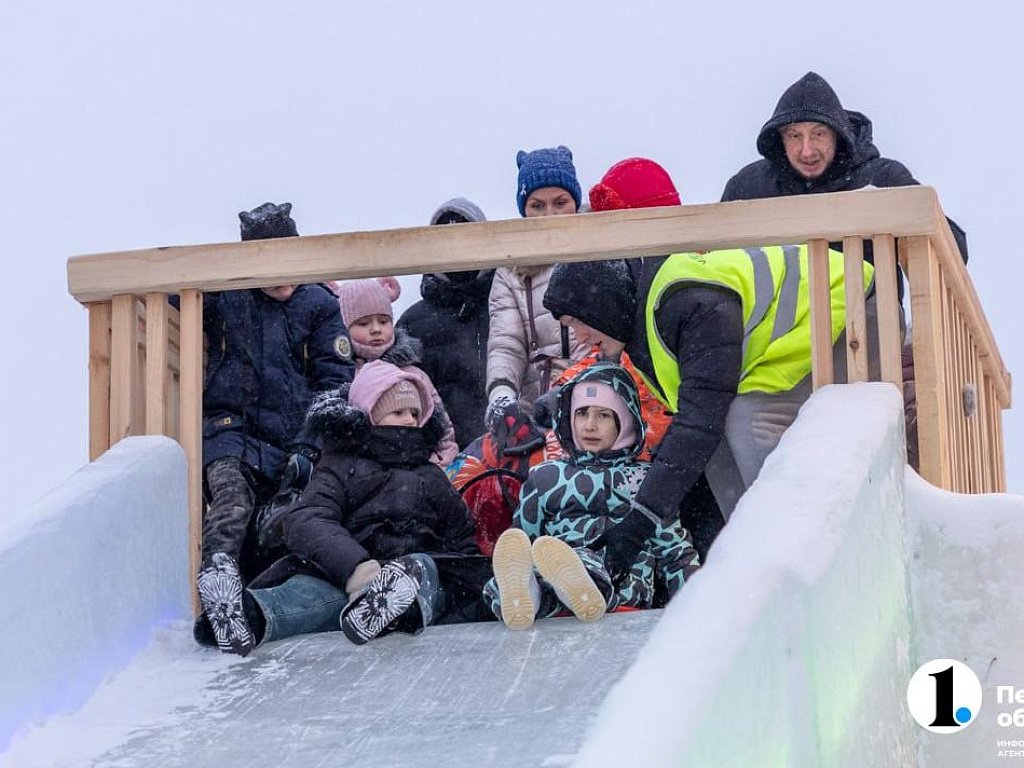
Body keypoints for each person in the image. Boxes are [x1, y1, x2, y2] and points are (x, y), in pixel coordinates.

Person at [543, 243, 874, 578]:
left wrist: (639, 521)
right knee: (712, 447)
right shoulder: (639, 323)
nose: (580, 337)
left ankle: (806, 553)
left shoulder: (688, 300)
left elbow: (700, 421)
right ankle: (757, 562)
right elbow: (697, 424)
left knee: (746, 421)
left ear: (600, 304)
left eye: (578, 321)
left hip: (854, 311)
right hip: (798, 341)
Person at [199, 361, 493, 656]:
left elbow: (461, 539)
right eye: (398, 411)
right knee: (309, 596)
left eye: (415, 413)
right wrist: (356, 568)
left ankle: (394, 608)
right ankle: (244, 615)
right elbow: (307, 519)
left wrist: (472, 579)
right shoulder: (340, 466)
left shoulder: (431, 476)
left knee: (422, 570)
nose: (409, 420)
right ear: (369, 414)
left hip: (415, 573)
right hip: (349, 579)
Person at [192, 202, 355, 656]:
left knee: (290, 523)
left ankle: (251, 602)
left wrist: (309, 444)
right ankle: (218, 579)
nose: (281, 276)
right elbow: (175, 298)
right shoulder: (229, 297)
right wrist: (209, 271)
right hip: (233, 428)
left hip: (294, 437)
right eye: (267, 264)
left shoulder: (319, 304)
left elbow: (335, 381)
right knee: (230, 501)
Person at [484, 362, 700, 629]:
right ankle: (528, 594)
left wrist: (697, 606)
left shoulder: (647, 481)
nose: (590, 425)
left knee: (584, 563)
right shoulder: (546, 477)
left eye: (604, 415)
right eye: (582, 413)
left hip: (621, 592)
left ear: (627, 420)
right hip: (552, 600)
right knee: (524, 567)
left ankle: (574, 583)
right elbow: (523, 539)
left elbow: (674, 551)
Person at [721, 70, 968, 263]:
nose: (807, 150)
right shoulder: (749, 186)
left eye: (818, 134)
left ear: (838, 136)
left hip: (866, 316)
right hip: (772, 322)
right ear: (780, 139)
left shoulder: (882, 178)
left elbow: (953, 252)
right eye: (794, 136)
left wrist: (894, 213)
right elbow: (710, 256)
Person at [485, 146, 589, 441]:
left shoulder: (599, 253)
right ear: (524, 210)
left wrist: (578, 386)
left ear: (575, 202)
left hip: (597, 403)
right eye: (537, 206)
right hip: (536, 408)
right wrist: (502, 393)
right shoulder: (510, 270)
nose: (550, 215)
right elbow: (506, 343)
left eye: (560, 202)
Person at [396, 198, 495, 448]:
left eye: (467, 241)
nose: (458, 251)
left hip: (510, 448)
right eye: (447, 242)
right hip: (442, 455)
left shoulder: (505, 307)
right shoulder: (414, 322)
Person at [335, 276, 459, 465]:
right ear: (344, 327)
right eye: (363, 323)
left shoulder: (414, 375)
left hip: (417, 468)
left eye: (383, 321)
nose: (376, 329)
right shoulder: (340, 376)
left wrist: (439, 462)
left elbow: (442, 428)